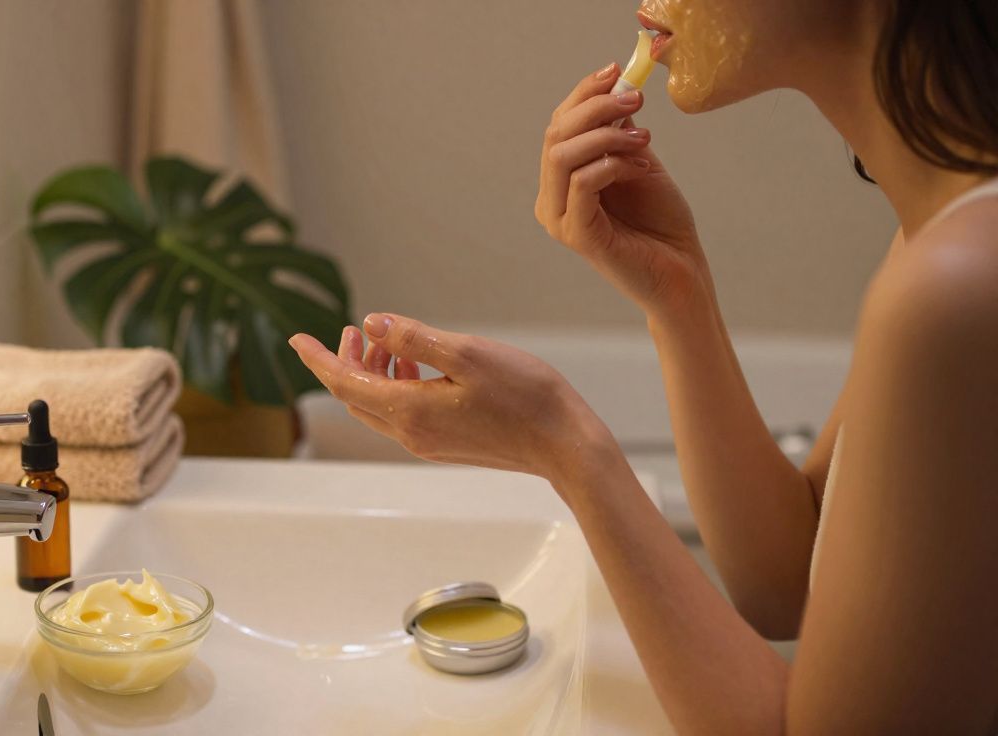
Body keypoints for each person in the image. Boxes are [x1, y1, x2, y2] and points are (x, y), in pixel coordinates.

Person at [288, 0, 998, 732]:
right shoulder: (938, 239)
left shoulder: (961, 285)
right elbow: (788, 576)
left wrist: (565, 445)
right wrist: (675, 295)